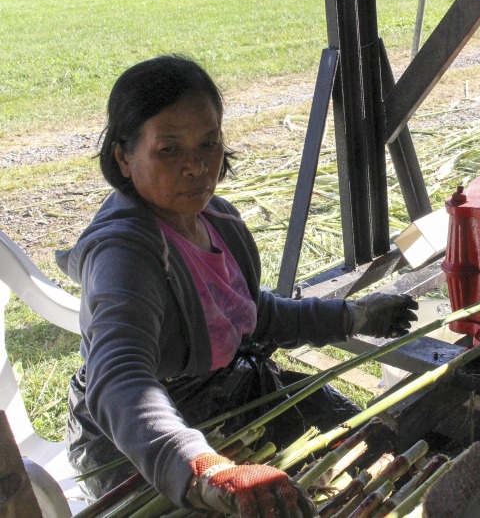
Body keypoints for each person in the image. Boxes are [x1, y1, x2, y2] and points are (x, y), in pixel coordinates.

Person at [56, 54, 418, 517]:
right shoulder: (124, 255)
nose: (196, 166)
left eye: (209, 144)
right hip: (138, 442)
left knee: (370, 445)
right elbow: (119, 378)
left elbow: (251, 315)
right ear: (123, 157)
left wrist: (352, 316)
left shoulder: (217, 219)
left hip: (229, 393)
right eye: (169, 149)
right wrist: (202, 468)